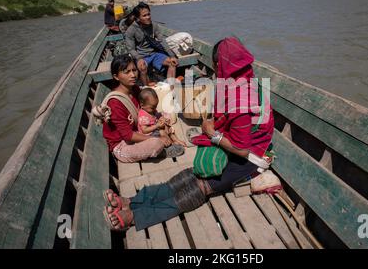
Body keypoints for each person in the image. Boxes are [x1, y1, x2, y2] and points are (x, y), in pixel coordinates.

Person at [103, 37, 276, 232]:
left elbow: (243, 150)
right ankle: (133, 201)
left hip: (249, 157)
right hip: (237, 146)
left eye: (214, 65)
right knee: (189, 175)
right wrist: (214, 125)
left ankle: (136, 216)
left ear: (220, 64)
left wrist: (213, 134)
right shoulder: (243, 80)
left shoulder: (241, 99)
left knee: (202, 185)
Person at [95, 54, 181, 165]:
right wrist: (158, 138)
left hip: (137, 131)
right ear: (116, 77)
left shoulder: (134, 89)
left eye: (134, 70)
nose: (133, 75)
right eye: (127, 72)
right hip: (122, 145)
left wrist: (162, 128)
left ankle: (158, 147)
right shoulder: (115, 103)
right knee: (156, 143)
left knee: (164, 123)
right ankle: (160, 150)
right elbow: (128, 136)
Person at [125, 2, 178, 86]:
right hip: (141, 56)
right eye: (144, 15)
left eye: (149, 14)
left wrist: (172, 55)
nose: (148, 17)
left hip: (154, 54)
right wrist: (138, 59)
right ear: (138, 18)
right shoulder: (131, 30)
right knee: (142, 68)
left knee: (172, 63)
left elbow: (162, 41)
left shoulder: (154, 26)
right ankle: (147, 90)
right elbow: (130, 49)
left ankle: (170, 88)